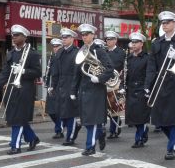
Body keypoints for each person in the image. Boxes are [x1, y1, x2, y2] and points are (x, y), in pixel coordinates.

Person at [145, 11, 175, 160]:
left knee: (173, 117)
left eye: (167, 22)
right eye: (163, 23)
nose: (165, 25)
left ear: (174, 24)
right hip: (159, 84)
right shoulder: (156, 43)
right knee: (159, 118)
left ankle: (172, 147)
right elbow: (151, 66)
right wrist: (148, 84)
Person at [0, 24, 42, 154]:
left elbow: (37, 72)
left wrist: (24, 71)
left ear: (24, 37)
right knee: (16, 117)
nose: (14, 37)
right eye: (13, 35)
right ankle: (32, 138)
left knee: (18, 118)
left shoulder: (32, 53)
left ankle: (15, 145)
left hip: (25, 90)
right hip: (12, 89)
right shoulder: (11, 53)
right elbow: (5, 72)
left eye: (17, 35)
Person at [72, 23, 114, 156]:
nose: (84, 37)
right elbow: (77, 73)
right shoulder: (80, 51)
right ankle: (100, 133)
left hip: (96, 89)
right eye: (82, 35)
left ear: (93, 35)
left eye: (87, 34)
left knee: (93, 120)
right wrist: (73, 90)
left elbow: (109, 69)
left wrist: (100, 78)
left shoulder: (99, 51)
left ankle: (90, 147)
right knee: (86, 120)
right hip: (84, 90)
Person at [50, 28, 81, 145]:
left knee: (71, 112)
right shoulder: (59, 52)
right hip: (60, 86)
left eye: (66, 37)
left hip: (72, 84)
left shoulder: (76, 52)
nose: (64, 39)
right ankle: (73, 129)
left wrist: (76, 88)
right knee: (61, 112)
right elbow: (55, 71)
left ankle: (70, 137)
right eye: (62, 37)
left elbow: (77, 73)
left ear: (72, 39)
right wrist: (53, 85)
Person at [123, 32, 150, 148]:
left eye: (136, 42)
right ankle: (143, 131)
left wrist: (147, 87)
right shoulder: (128, 58)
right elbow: (126, 74)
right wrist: (122, 87)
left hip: (141, 88)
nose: (133, 45)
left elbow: (149, 74)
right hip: (130, 89)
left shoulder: (147, 57)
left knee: (140, 116)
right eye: (132, 42)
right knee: (132, 116)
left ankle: (139, 139)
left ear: (141, 44)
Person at [104, 30, 126, 139]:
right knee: (107, 107)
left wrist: (122, 83)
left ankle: (114, 130)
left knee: (115, 106)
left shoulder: (121, 52)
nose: (108, 41)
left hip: (116, 82)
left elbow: (124, 68)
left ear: (115, 40)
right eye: (107, 39)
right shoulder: (104, 52)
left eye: (111, 39)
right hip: (106, 81)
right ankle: (113, 126)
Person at [45, 38, 63, 139]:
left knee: (58, 110)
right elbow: (49, 72)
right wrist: (46, 79)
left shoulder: (61, 57)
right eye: (54, 46)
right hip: (51, 86)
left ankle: (59, 130)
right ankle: (60, 126)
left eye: (57, 46)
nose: (55, 48)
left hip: (58, 87)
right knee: (51, 111)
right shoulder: (52, 57)